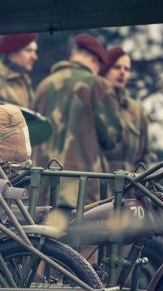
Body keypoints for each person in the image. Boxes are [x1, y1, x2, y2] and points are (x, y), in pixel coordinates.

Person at [33, 34, 123, 207]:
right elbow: (111, 138)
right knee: (80, 234)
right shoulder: (98, 85)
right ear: (93, 59)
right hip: (82, 190)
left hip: (43, 190)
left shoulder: (43, 86)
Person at [100, 47, 155, 172]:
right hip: (101, 183)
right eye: (117, 67)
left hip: (132, 185)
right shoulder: (95, 105)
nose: (122, 72)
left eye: (127, 69)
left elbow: (146, 154)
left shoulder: (137, 110)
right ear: (105, 69)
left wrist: (141, 179)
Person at [0, 33, 38, 108]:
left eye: (34, 51)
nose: (34, 57)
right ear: (12, 53)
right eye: (29, 51)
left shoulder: (23, 80)